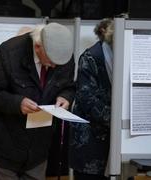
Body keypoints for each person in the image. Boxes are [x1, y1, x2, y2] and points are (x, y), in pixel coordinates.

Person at [0, 22, 75, 180]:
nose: (55, 65)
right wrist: (17, 103)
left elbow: (69, 86)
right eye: (50, 61)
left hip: (38, 149)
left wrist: (66, 97)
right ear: (38, 47)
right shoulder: (8, 53)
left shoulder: (62, 56)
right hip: (3, 148)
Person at [69, 19, 114, 180]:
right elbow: (87, 99)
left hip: (114, 142)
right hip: (90, 143)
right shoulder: (90, 57)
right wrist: (117, 121)